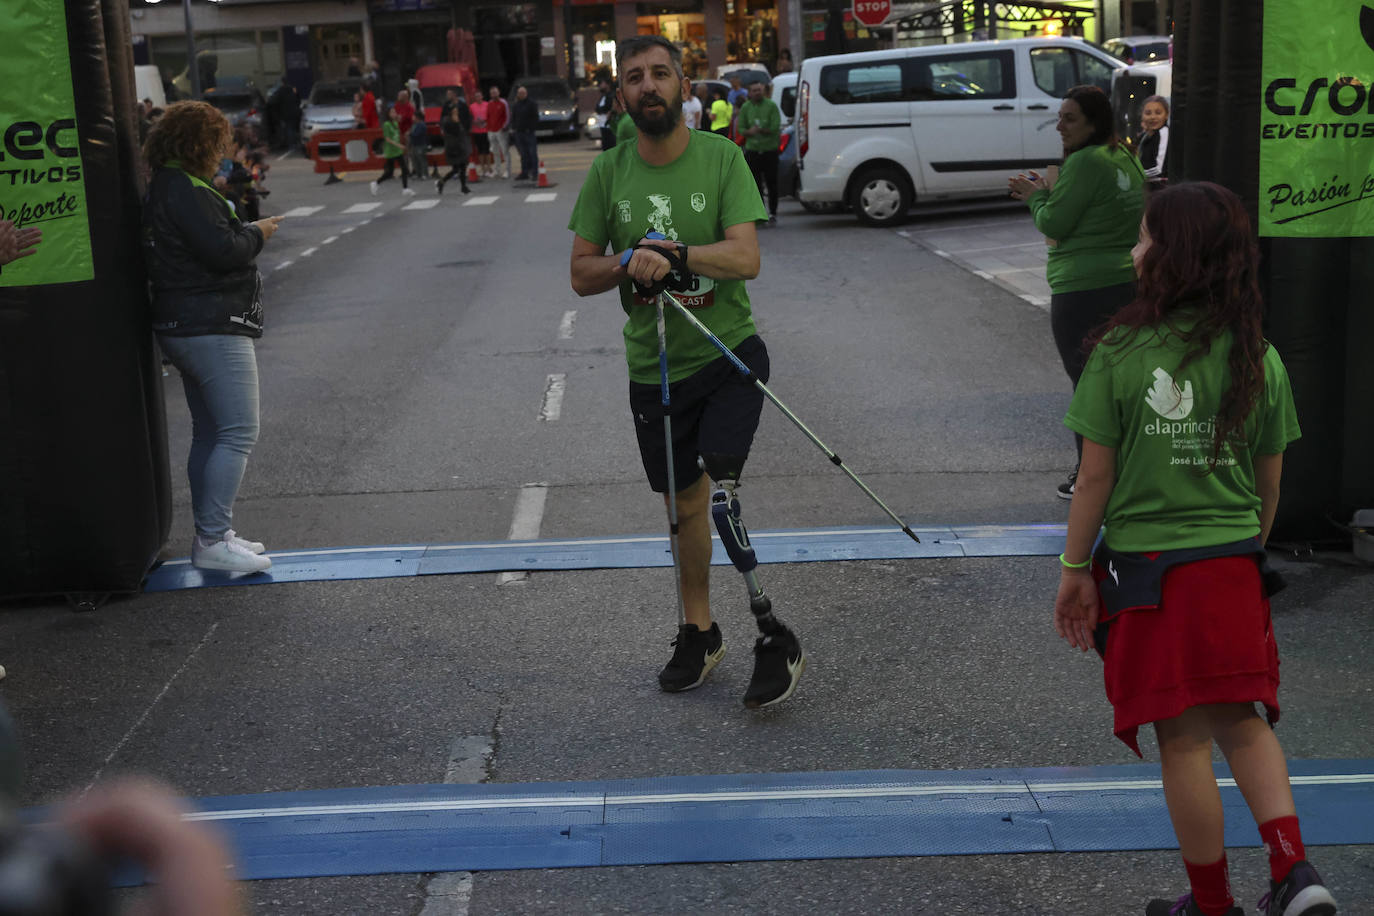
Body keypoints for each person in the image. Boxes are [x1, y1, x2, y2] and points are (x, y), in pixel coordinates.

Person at [1053, 182, 1336, 916]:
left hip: (1152, 576)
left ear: (1170, 257)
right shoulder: (1258, 357)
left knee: (1182, 739)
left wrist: (1074, 568)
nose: (1134, 249)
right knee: (1244, 718)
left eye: (1144, 238)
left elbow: (1094, 477)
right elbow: (1269, 485)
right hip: (1232, 565)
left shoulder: (1118, 351)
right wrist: (1242, 555)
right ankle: (1293, 871)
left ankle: (1212, 906)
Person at [568, 35, 806, 709]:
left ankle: (771, 628)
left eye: (661, 74)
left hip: (727, 352)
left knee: (721, 481)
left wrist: (677, 256)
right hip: (657, 367)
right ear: (621, 97)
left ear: (684, 86)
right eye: (635, 77)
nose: (649, 86)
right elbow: (581, 272)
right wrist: (627, 263)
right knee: (683, 506)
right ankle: (698, 630)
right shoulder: (609, 173)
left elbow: (746, 257)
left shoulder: (721, 157)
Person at [142, 101, 281, 573]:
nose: (225, 152)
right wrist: (258, 233)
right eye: (220, 143)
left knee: (210, 431)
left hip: (185, 323)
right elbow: (223, 251)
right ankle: (212, 537)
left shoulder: (167, 184)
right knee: (239, 429)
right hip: (210, 323)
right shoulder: (185, 189)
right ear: (201, 144)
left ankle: (213, 532)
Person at [1008, 84, 1145, 500]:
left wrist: (1036, 197)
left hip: (1080, 288)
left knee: (1086, 383)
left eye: (1070, 119)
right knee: (1118, 382)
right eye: (1060, 117)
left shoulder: (1085, 162)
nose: (1060, 127)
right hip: (1124, 281)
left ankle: (1091, 475)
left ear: (1093, 122)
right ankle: (1126, 470)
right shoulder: (1124, 156)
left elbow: (1055, 223)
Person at [738, 79, 781, 225]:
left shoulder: (771, 106)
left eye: (759, 90)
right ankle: (760, 214)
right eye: (754, 90)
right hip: (753, 151)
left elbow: (775, 127)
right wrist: (750, 132)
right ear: (749, 93)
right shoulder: (746, 107)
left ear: (763, 90)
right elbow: (741, 128)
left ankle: (773, 213)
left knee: (772, 183)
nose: (757, 92)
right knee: (755, 185)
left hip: (769, 151)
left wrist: (761, 130)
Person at [370, 104, 416, 196]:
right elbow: (388, 139)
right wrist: (400, 145)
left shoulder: (395, 123)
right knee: (389, 172)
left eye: (395, 112)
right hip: (391, 151)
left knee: (404, 169)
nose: (394, 113)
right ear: (388, 114)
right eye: (392, 112)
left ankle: (405, 188)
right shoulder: (386, 124)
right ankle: (376, 183)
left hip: (397, 151)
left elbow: (397, 135)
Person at [436, 90, 472, 195]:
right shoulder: (448, 122)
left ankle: (463, 187)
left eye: (457, 112)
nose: (456, 114)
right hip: (454, 147)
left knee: (463, 166)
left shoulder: (458, 119)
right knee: (456, 169)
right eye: (455, 112)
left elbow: (466, 120)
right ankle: (442, 182)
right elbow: (451, 134)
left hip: (461, 145)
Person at [1136, 94, 1170, 192]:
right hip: (1145, 188)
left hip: (1160, 190)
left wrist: (1136, 173)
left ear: (1166, 115)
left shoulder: (1164, 132)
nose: (1153, 117)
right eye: (1148, 113)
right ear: (1142, 115)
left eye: (1158, 113)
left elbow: (1159, 169)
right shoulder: (1143, 136)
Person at [511, 84, 540, 181]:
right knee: (523, 154)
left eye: (523, 93)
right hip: (519, 133)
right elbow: (514, 117)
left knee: (532, 153)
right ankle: (524, 172)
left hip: (529, 133)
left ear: (526, 93)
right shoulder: (516, 105)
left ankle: (535, 173)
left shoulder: (532, 104)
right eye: (519, 93)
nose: (521, 95)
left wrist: (531, 128)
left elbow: (535, 118)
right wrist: (514, 127)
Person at [487, 85, 512, 178]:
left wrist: (504, 126)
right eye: (492, 93)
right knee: (495, 151)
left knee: (505, 151)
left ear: (498, 93)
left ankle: (507, 171)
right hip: (491, 131)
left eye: (495, 92)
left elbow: (508, 116)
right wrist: (488, 128)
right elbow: (488, 116)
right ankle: (497, 170)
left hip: (501, 130)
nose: (493, 94)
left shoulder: (503, 103)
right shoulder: (489, 103)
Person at [468, 89, 490, 178]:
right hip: (476, 131)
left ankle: (489, 168)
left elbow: (490, 116)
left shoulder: (487, 104)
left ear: (482, 96)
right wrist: (474, 122)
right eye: (476, 96)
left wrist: (485, 121)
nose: (478, 98)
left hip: (486, 130)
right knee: (480, 150)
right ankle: (483, 168)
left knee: (487, 150)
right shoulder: (472, 106)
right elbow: (469, 118)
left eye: (479, 96)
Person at [408, 104, 431, 186]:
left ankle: (425, 174)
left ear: (417, 117)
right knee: (415, 160)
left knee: (422, 159)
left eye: (413, 116)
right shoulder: (414, 125)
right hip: (414, 144)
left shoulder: (421, 125)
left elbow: (417, 134)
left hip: (420, 144)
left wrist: (410, 134)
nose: (412, 117)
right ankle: (419, 174)